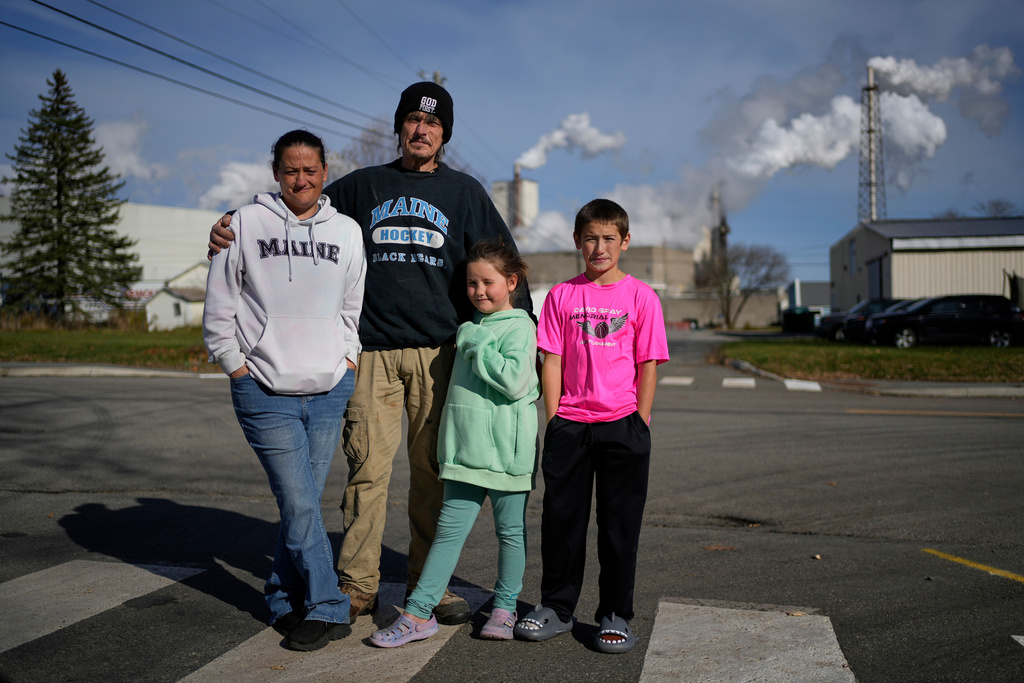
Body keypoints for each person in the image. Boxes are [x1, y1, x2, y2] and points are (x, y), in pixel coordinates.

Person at [208, 82, 530, 626]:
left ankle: (432, 582)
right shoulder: (363, 187)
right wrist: (228, 229)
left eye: (432, 123)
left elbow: (506, 266)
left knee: (435, 474)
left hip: (440, 353)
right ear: (399, 127)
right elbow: (298, 210)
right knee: (366, 472)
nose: (421, 130)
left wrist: (522, 340)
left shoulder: (466, 193)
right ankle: (358, 582)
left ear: (444, 133)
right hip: (374, 353)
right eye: (411, 120)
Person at [202, 130, 366, 651]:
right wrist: (235, 365)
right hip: (263, 389)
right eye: (291, 170)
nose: (302, 179)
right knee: (299, 503)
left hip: (328, 387)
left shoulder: (346, 231)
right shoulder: (244, 224)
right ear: (276, 172)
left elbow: (352, 306)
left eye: (311, 170)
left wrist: (347, 361)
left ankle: (281, 597)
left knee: (304, 505)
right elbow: (220, 304)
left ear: (325, 172)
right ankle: (328, 605)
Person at [512, 198, 668, 654]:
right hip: (571, 426)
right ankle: (557, 609)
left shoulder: (642, 296)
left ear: (624, 241)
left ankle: (615, 614)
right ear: (577, 241)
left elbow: (648, 364)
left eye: (608, 239)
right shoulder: (563, 295)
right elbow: (552, 359)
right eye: (590, 238)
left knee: (619, 526)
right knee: (563, 523)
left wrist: (640, 421)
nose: (599, 247)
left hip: (623, 425)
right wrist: (556, 417)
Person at [369, 238, 539, 647]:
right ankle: (418, 615)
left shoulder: (520, 326)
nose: (478, 291)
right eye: (471, 283)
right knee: (446, 534)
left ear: (511, 282)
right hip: (465, 453)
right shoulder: (472, 327)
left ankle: (504, 608)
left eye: (488, 282)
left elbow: (516, 382)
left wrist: (473, 342)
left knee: (510, 533)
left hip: (507, 455)